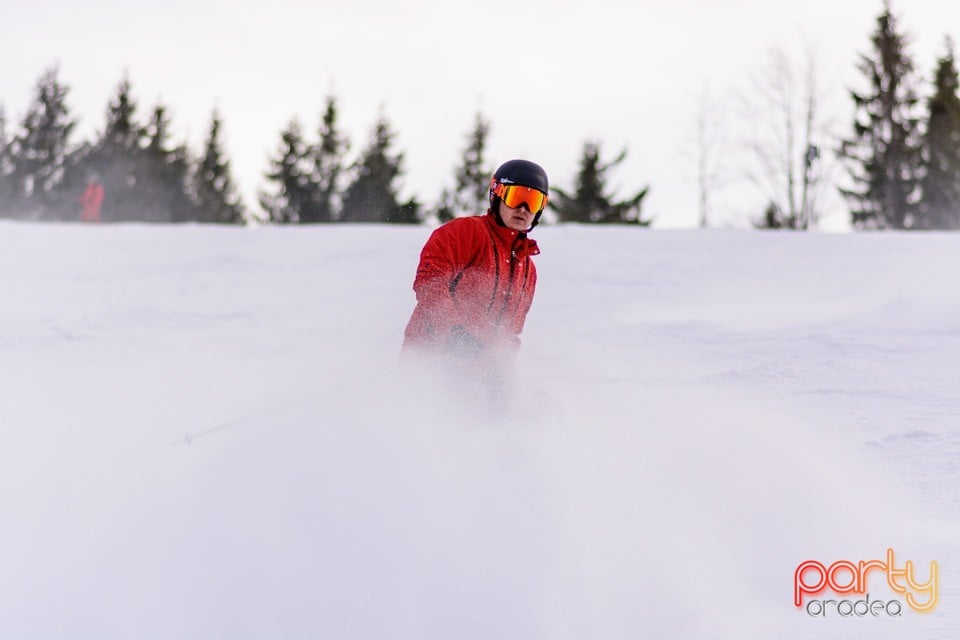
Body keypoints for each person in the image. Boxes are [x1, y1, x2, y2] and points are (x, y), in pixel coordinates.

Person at [402, 159, 548, 371]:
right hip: (431, 362)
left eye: (533, 201)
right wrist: (454, 333)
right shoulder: (466, 233)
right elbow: (430, 280)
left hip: (480, 379)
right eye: (517, 197)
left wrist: (503, 370)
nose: (523, 209)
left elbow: (510, 332)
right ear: (497, 195)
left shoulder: (527, 270)